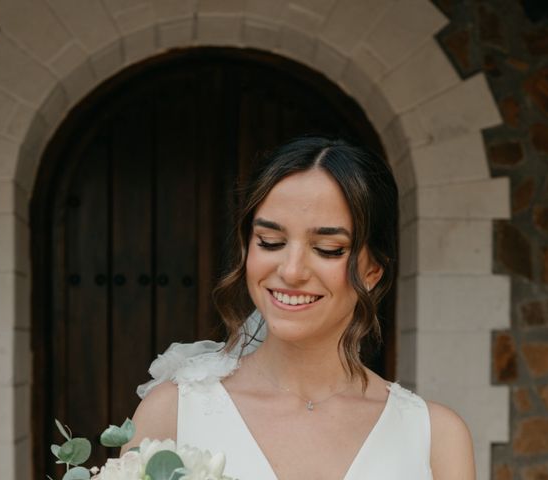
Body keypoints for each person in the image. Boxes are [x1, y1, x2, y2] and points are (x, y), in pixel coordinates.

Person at [122, 136, 475, 479]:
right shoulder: (173, 413)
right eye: (271, 242)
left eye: (328, 248)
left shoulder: (435, 438)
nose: (291, 271)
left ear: (371, 271)